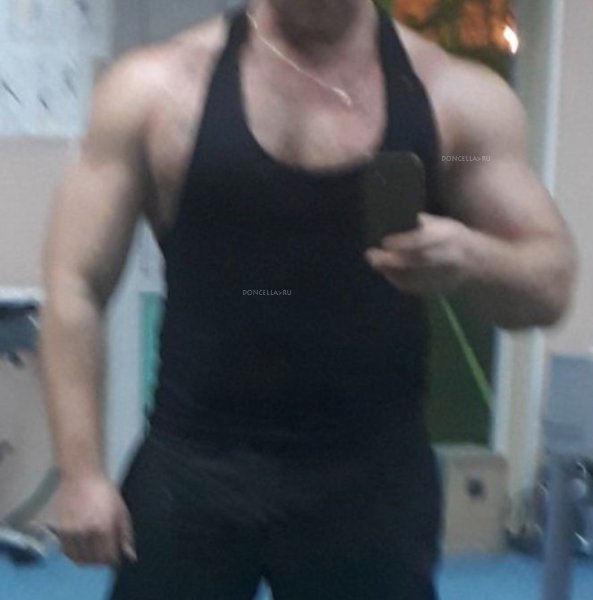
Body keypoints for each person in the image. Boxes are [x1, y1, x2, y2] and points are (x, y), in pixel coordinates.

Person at [40, 0, 576, 598]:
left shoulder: (451, 98)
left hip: (372, 476)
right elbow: (75, 284)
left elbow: (549, 284)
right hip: (194, 463)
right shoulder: (156, 90)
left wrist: (474, 257)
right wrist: (80, 473)